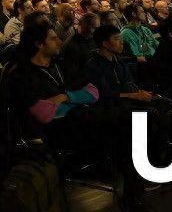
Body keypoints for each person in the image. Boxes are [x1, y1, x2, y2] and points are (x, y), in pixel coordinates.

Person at [9, 18, 148, 210]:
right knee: (126, 127)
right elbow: (43, 113)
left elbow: (93, 92)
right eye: (53, 39)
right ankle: (132, 194)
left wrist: (64, 97)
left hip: (82, 118)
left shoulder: (60, 65)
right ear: (39, 44)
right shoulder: (23, 74)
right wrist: (75, 98)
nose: (60, 42)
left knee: (130, 126)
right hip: (54, 132)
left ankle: (133, 192)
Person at [85, 25, 152, 104]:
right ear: (105, 44)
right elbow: (103, 95)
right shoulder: (94, 66)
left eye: (121, 39)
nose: (121, 42)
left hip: (127, 103)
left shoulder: (119, 62)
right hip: (110, 108)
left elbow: (129, 84)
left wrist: (139, 93)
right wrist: (133, 95)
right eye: (116, 39)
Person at [61, 12, 100, 89]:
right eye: (95, 28)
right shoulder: (72, 45)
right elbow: (72, 75)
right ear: (87, 27)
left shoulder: (92, 38)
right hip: (83, 85)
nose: (97, 31)